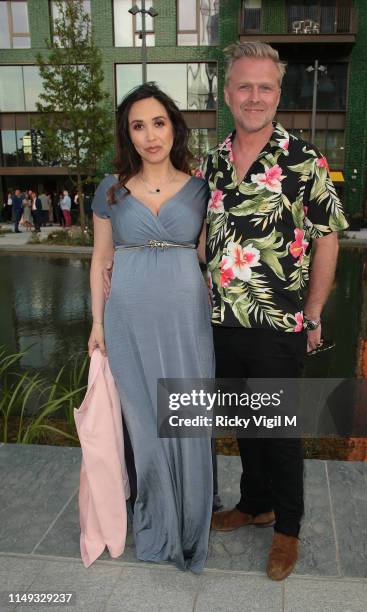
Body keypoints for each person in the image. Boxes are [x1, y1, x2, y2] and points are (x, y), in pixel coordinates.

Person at [204, 42, 348, 581]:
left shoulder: (305, 160)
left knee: (278, 431)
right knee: (244, 424)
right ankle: (254, 503)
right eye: (245, 85)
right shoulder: (213, 161)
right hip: (222, 324)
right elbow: (200, 238)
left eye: (266, 87)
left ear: (279, 93)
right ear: (227, 93)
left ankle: (287, 529)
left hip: (277, 324)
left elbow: (328, 240)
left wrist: (313, 313)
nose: (255, 96)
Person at [87, 83, 214, 573]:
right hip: (128, 320)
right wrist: (97, 324)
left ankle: (191, 519)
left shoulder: (202, 188)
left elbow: (207, 256)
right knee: (144, 426)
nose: (149, 135)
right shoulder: (111, 189)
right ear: (128, 134)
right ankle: (158, 526)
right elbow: (100, 261)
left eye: (158, 122)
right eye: (137, 125)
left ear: (173, 127)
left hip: (186, 320)